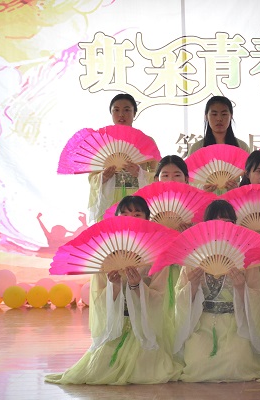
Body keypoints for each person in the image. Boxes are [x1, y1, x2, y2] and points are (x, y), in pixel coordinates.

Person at [45, 196, 182, 385]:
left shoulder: (156, 254)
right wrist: (114, 286)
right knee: (100, 367)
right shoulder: (105, 255)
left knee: (145, 369)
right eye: (124, 214)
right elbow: (98, 298)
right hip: (115, 326)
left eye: (137, 214)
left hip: (144, 327)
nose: (131, 218)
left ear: (147, 218)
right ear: (116, 218)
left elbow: (159, 297)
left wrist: (137, 286)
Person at [174, 200, 260, 382]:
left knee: (236, 363)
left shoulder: (246, 257)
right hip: (202, 323)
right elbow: (180, 299)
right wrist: (192, 285)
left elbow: (259, 298)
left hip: (236, 323)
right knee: (198, 365)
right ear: (206, 226)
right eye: (215, 222)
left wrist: (241, 288)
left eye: (227, 222)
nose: (222, 227)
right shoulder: (194, 257)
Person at [87, 93, 155, 223]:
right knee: (112, 233)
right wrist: (103, 177)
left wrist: (140, 173)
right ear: (111, 113)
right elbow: (92, 178)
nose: (121, 114)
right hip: (110, 197)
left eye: (127, 110)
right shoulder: (102, 142)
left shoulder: (146, 141)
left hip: (137, 199)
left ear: (134, 113)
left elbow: (157, 176)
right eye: (116, 110)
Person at [186, 96, 250, 193]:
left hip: (234, 199)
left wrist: (237, 189)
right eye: (214, 114)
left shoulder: (242, 147)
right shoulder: (197, 148)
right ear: (206, 116)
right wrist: (202, 188)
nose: (219, 119)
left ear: (231, 116)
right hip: (206, 199)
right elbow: (190, 180)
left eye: (224, 114)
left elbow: (249, 178)